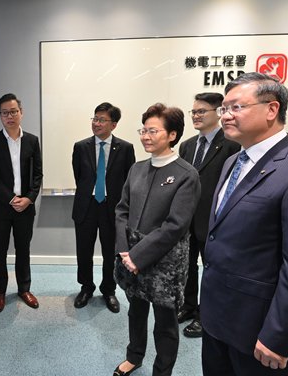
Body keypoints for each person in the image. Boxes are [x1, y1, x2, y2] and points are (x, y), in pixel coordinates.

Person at [201, 72, 288, 375]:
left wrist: (279, 335)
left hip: (262, 332)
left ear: (272, 109)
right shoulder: (232, 162)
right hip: (217, 318)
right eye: (224, 108)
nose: (225, 116)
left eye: (236, 107)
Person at [113, 103, 200, 376]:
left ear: (172, 135)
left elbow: (175, 226)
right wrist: (125, 251)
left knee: (165, 322)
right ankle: (134, 356)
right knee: (136, 312)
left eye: (153, 131)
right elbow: (121, 210)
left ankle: (162, 371)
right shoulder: (137, 168)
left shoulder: (187, 174)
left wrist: (138, 256)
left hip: (165, 260)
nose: (146, 136)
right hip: (131, 257)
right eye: (143, 130)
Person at [177, 92, 240, 338]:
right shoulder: (187, 145)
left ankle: (206, 316)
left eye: (201, 111)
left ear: (219, 112)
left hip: (214, 221)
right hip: (187, 219)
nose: (195, 116)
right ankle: (188, 306)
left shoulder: (231, 145)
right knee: (187, 266)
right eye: (193, 111)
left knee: (211, 270)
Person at [71, 102, 135, 312]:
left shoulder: (125, 148)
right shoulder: (81, 147)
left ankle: (109, 290)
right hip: (87, 206)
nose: (96, 123)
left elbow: (128, 181)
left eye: (102, 120)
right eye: (95, 119)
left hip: (112, 208)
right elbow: (79, 176)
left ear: (113, 125)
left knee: (110, 253)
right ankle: (86, 288)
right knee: (84, 251)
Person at [0, 93, 43, 313]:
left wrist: (29, 199)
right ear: (0, 115)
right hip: (0, 207)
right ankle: (0, 292)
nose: (9, 116)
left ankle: (24, 289)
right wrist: (11, 198)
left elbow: (38, 175)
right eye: (5, 113)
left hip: (25, 207)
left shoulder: (32, 141)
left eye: (13, 111)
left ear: (21, 112)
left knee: (23, 249)